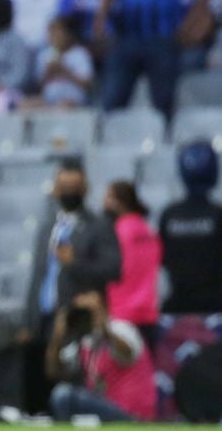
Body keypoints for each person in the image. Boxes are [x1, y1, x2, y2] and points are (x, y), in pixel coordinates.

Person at [20, 164, 121, 415]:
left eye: (73, 188)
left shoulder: (98, 225)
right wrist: (28, 319)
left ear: (84, 189)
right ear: (55, 189)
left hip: (78, 319)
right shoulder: (47, 227)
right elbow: (38, 276)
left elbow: (114, 269)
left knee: (70, 384)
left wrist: (74, 264)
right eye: (63, 187)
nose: (68, 193)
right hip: (45, 317)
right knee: (41, 387)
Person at [45, 291, 156, 422]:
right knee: (61, 393)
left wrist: (104, 326)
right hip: (102, 408)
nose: (88, 316)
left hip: (131, 412)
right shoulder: (84, 340)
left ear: (104, 309)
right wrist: (57, 337)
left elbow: (127, 353)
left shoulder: (122, 328)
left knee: (64, 394)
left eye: (91, 311)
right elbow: (54, 371)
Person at [159, 140, 222, 314]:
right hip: (214, 309)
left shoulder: (169, 215)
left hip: (177, 306)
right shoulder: (218, 214)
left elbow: (163, 259)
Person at [103, 181, 161, 349]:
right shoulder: (149, 230)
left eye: (108, 197)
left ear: (118, 202)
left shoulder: (115, 232)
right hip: (148, 313)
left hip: (121, 314)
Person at [33, 15, 93, 108]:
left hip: (74, 99)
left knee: (64, 106)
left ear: (69, 34)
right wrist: (48, 73)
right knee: (27, 105)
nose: (55, 37)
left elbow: (87, 84)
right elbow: (39, 86)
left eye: (58, 32)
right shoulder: (44, 55)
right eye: (51, 33)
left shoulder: (79, 54)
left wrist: (64, 70)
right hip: (48, 100)